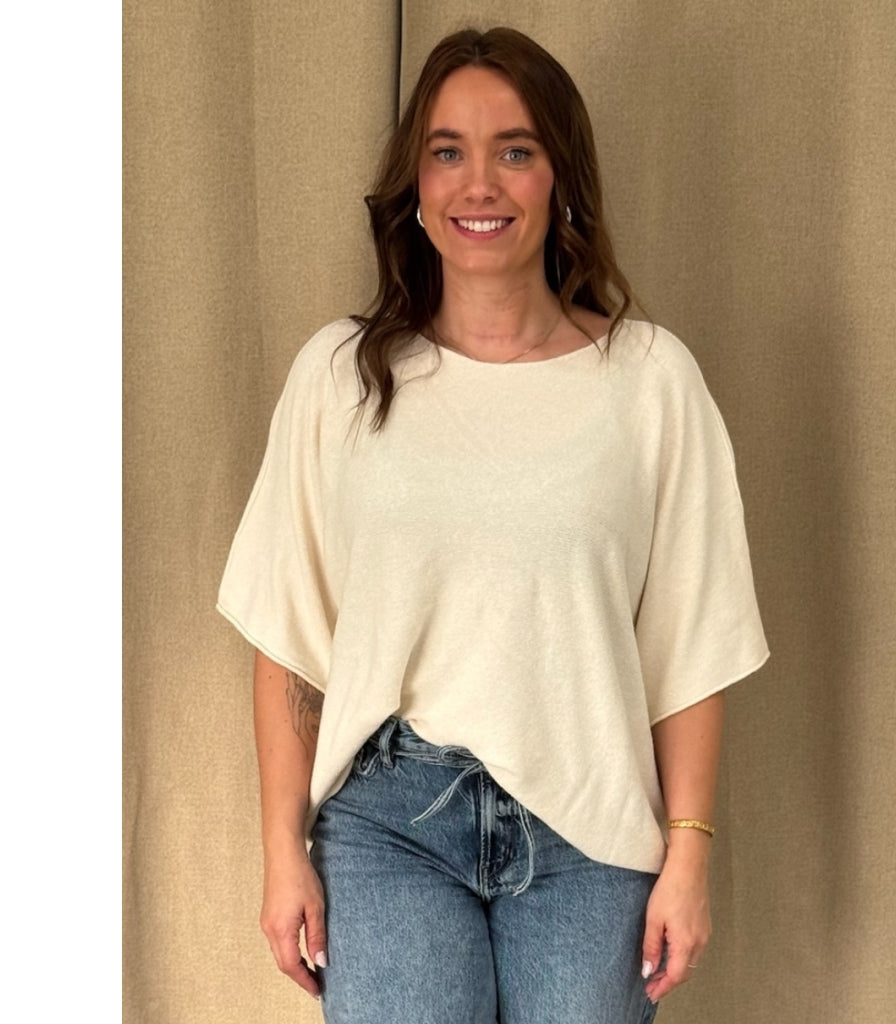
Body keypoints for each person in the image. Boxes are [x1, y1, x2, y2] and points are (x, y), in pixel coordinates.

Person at [218, 26, 768, 1024]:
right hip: (389, 824)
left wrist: (689, 855)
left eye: (515, 150)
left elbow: (691, 644)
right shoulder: (341, 378)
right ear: (416, 185)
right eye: (447, 151)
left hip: (592, 831)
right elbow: (289, 639)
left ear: (560, 179)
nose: (479, 184)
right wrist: (280, 851)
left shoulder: (651, 382)